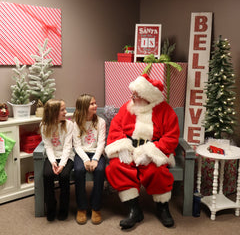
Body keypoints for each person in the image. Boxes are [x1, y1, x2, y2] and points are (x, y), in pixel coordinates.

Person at [105, 73, 180, 230]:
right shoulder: (128, 107)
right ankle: (134, 209)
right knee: (116, 167)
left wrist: (151, 152)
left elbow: (171, 136)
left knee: (157, 170)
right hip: (130, 149)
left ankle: (163, 208)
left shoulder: (165, 110)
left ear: (148, 97)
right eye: (133, 93)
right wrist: (122, 147)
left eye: (137, 95)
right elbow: (116, 127)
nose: (132, 97)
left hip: (153, 149)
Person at [73, 94, 106, 225]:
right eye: (92, 104)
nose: (95, 106)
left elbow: (101, 143)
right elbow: (77, 145)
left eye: (95, 103)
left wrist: (96, 159)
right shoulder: (76, 122)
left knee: (100, 170)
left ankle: (95, 207)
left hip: (97, 153)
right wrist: (86, 160)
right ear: (84, 107)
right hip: (82, 154)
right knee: (79, 171)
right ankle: (81, 207)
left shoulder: (101, 122)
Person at [41, 99, 74, 221]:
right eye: (62, 110)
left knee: (64, 176)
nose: (66, 112)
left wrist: (62, 164)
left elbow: (67, 147)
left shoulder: (69, 125)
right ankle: (51, 206)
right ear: (54, 112)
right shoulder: (44, 126)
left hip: (67, 157)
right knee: (47, 174)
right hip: (52, 157)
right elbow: (48, 146)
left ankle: (64, 209)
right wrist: (53, 162)